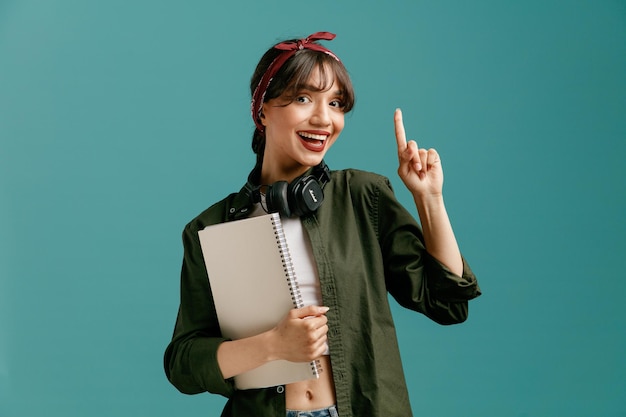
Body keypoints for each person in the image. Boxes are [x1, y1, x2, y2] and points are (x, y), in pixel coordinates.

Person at [164, 32, 481, 417]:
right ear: (262, 110)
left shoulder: (363, 195)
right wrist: (272, 346)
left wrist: (429, 199)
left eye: (336, 104)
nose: (323, 119)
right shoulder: (211, 229)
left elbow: (447, 303)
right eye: (302, 99)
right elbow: (183, 363)